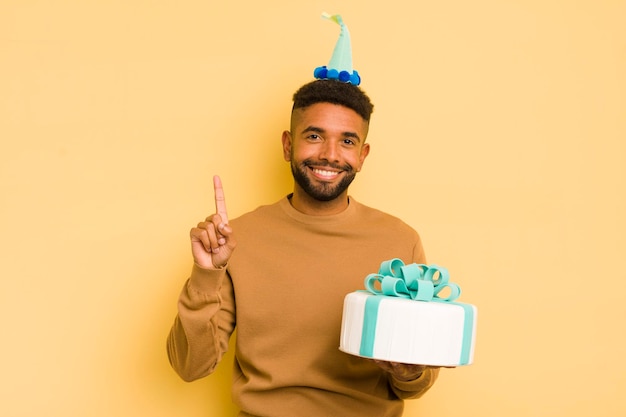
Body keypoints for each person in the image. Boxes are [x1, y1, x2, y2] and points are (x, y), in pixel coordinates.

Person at [167, 13, 441, 417]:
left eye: (347, 141)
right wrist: (207, 273)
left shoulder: (399, 241)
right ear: (287, 145)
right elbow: (189, 367)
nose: (330, 154)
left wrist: (408, 369)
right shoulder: (237, 239)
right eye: (314, 136)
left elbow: (415, 382)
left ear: (362, 156)